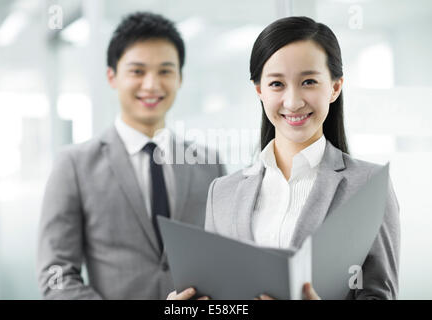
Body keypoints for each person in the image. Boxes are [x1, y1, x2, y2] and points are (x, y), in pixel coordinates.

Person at [168, 16, 400, 300]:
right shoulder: (222, 193)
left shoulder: (368, 186)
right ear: (260, 91)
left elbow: (380, 294)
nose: (293, 101)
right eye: (277, 84)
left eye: (309, 81)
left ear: (335, 87)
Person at [37, 12, 225, 300]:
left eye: (165, 71)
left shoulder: (209, 164)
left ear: (180, 78)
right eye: (137, 71)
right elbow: (56, 275)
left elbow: (224, 258)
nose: (151, 85)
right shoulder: (74, 165)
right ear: (112, 76)